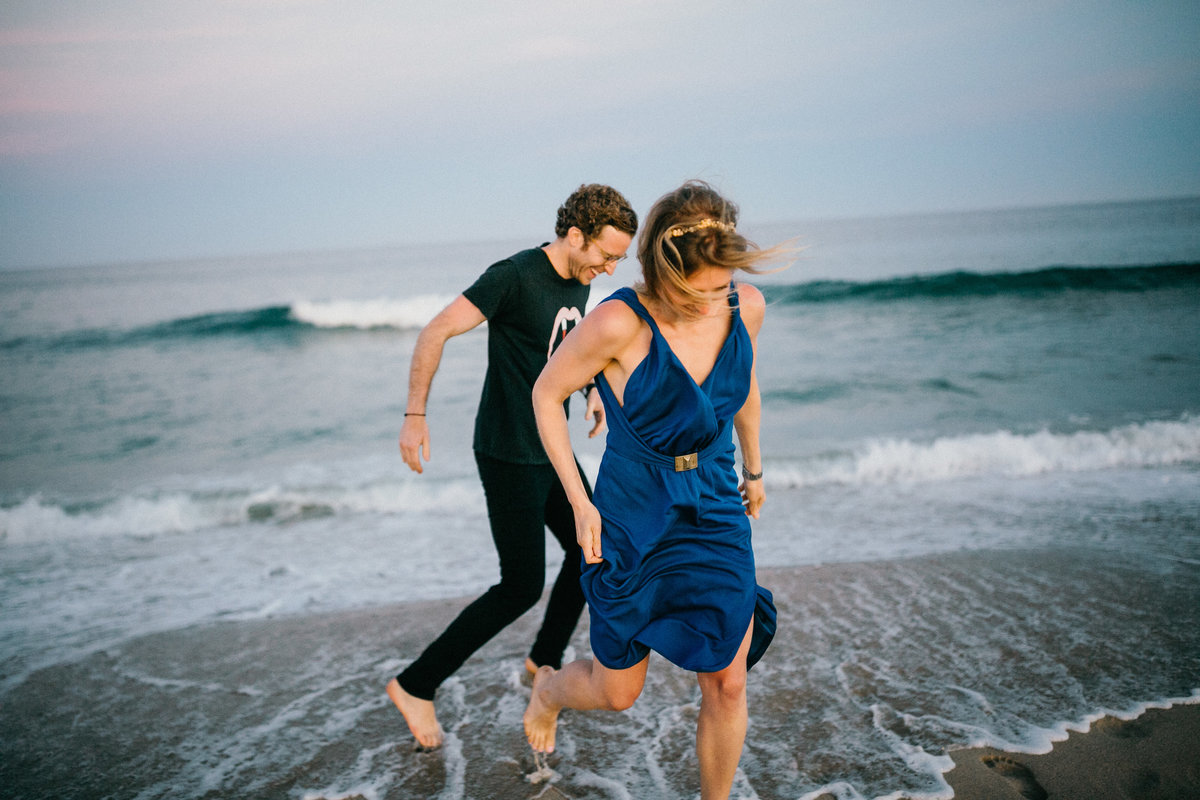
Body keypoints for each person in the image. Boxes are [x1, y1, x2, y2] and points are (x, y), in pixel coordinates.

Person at [523, 181, 779, 800]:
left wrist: (755, 469)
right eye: (703, 287)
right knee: (618, 693)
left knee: (728, 679)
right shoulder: (618, 323)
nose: (716, 299)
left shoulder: (744, 306)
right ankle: (549, 689)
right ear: (665, 270)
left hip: (717, 503)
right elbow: (545, 394)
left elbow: (740, 385)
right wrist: (581, 504)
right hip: (636, 513)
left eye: (725, 284)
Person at [387, 184, 639, 749]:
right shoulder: (514, 276)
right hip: (507, 449)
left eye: (620, 257)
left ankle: (542, 662)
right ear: (575, 235)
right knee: (519, 585)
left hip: (548, 447)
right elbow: (436, 330)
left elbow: (567, 349)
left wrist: (595, 389)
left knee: (589, 544)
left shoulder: (582, 279)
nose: (611, 265)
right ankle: (415, 684)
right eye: (607, 253)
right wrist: (414, 414)